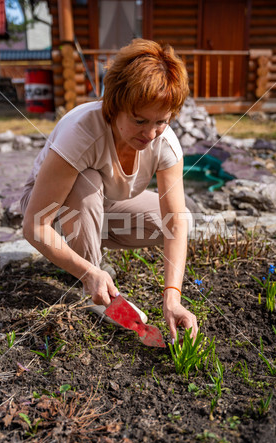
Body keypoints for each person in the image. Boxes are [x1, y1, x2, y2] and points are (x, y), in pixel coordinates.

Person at [21, 38, 198, 342]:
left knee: (183, 219)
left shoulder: (164, 143)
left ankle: (85, 250)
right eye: (139, 120)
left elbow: (174, 225)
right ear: (114, 105)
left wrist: (172, 297)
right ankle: (95, 289)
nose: (150, 134)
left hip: (102, 209)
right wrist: (90, 271)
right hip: (50, 208)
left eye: (161, 121)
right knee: (87, 182)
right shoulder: (82, 132)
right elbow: (34, 225)